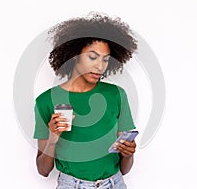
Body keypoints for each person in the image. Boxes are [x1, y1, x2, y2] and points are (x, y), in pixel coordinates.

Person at [33, 12, 138, 189]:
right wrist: (52, 139)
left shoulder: (116, 95)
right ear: (74, 55)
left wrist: (128, 154)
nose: (100, 66)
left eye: (105, 59)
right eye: (92, 57)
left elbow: (125, 169)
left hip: (114, 184)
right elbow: (43, 170)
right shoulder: (46, 101)